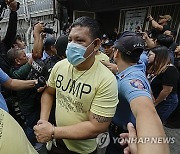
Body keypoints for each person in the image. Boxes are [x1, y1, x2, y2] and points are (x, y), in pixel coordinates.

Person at [34, 16, 118, 154]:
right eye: (70, 40)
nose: (72, 45)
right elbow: (49, 92)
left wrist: (53, 131)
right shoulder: (60, 66)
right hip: (56, 141)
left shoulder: (106, 80)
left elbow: (97, 127)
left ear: (96, 44)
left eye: (79, 40)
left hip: (81, 149)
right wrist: (43, 122)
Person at [105, 32, 169, 154]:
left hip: (124, 137)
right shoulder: (140, 64)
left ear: (116, 53)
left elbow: (147, 112)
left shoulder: (129, 82)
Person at [147, 46, 179, 123]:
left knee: (156, 121)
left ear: (158, 57)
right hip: (156, 97)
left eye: (150, 55)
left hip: (166, 101)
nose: (148, 57)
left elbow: (166, 90)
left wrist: (155, 103)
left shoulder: (170, 70)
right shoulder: (154, 66)